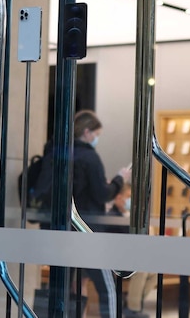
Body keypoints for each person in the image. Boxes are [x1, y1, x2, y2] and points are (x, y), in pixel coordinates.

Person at [41, 109, 130, 318]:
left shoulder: (57, 151)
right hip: (85, 229)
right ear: (87, 132)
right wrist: (119, 180)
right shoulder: (89, 157)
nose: (96, 139)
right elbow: (102, 194)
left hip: (60, 229)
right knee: (106, 283)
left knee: (65, 283)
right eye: (96, 135)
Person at [105, 183, 156, 318]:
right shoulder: (112, 216)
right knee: (141, 271)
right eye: (128, 197)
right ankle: (133, 309)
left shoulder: (129, 216)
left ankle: (133, 303)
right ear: (118, 198)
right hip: (117, 259)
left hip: (130, 257)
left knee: (154, 272)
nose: (130, 200)